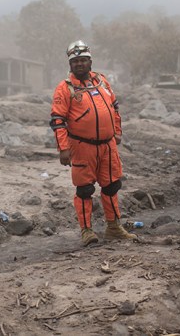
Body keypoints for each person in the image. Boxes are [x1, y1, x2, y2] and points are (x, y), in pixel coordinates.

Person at [50, 40, 136, 246]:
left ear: (90, 61)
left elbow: (114, 108)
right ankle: (87, 231)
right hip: (82, 147)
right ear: (71, 65)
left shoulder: (102, 81)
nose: (80, 64)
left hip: (107, 146)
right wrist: (63, 149)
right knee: (85, 190)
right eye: (76, 61)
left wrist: (117, 132)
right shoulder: (65, 88)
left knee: (112, 185)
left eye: (83, 60)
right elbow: (58, 120)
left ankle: (114, 227)